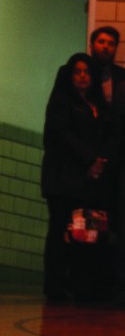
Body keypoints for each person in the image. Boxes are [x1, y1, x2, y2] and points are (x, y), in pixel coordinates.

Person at [41, 52, 117, 304]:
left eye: (86, 72)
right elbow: (61, 136)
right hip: (63, 179)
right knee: (61, 231)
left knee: (88, 232)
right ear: (69, 75)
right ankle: (55, 286)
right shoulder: (62, 102)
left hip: (89, 180)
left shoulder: (99, 105)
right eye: (77, 71)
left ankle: (81, 285)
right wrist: (90, 160)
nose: (83, 76)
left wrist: (101, 161)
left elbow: (109, 135)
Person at [89, 26, 125, 104]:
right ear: (91, 46)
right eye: (101, 42)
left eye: (111, 44)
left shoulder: (122, 75)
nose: (106, 46)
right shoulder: (78, 73)